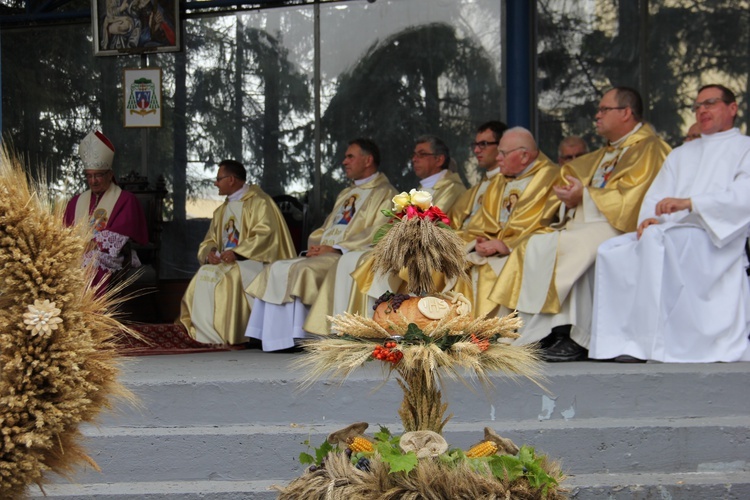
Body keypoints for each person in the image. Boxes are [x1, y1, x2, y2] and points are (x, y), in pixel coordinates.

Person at [490, 87, 672, 361]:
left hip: (622, 225)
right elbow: (578, 180)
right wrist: (571, 198)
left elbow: (634, 199)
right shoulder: (608, 152)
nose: (596, 115)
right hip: (591, 219)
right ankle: (540, 333)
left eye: (603, 109)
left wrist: (584, 195)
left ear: (626, 113)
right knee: (536, 243)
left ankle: (574, 335)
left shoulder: (650, 148)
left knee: (571, 246)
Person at [590, 84, 750, 363]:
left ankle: (655, 345)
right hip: (673, 232)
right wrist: (649, 219)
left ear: (732, 108)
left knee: (655, 241)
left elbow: (743, 196)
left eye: (709, 103)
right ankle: (622, 343)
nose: (702, 111)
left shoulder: (744, 148)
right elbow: (656, 197)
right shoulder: (680, 154)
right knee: (611, 250)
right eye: (697, 106)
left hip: (714, 238)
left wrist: (692, 203)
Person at [303, 135, 466, 335]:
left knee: (360, 259)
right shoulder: (424, 187)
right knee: (349, 260)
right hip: (408, 243)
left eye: (422, 154)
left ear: (439, 159)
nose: (414, 159)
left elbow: (439, 223)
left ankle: (380, 325)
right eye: (414, 154)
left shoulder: (453, 189)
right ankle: (346, 328)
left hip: (429, 249)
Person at [245, 138, 397, 351]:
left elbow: (379, 231)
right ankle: (272, 337)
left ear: (368, 160)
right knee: (277, 268)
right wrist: (319, 245)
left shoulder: (386, 193)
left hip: (348, 256)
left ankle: (300, 336)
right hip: (328, 253)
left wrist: (336, 248)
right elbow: (327, 227)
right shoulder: (346, 194)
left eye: (350, 156)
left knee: (301, 270)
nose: (344, 162)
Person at [178, 159, 296, 345]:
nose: (215, 183)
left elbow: (266, 235)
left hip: (256, 262)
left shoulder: (260, 203)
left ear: (231, 179)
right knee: (204, 273)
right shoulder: (221, 211)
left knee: (228, 277)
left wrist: (238, 253)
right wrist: (210, 252)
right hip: (228, 262)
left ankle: (230, 334)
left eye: (219, 179)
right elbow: (210, 240)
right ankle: (202, 334)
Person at [453, 126, 561, 317]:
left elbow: (550, 227)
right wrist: (478, 242)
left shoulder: (551, 178)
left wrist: (507, 246)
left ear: (524, 156)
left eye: (502, 153)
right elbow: (481, 223)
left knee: (485, 270)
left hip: (526, 250)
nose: (497, 158)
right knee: (464, 263)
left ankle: (496, 336)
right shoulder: (499, 182)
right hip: (493, 250)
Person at [64, 130, 148, 291]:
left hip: (110, 256)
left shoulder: (125, 200)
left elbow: (121, 233)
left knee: (91, 262)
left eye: (98, 175)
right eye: (89, 176)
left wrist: (93, 244)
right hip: (77, 253)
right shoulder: (76, 202)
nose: (93, 181)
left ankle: (93, 313)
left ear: (110, 175)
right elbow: (65, 232)